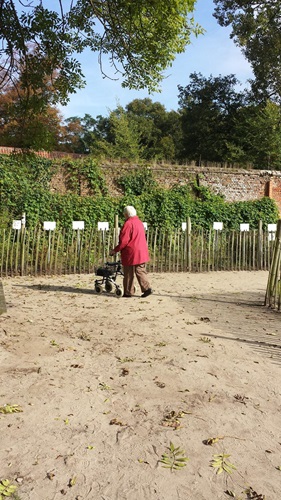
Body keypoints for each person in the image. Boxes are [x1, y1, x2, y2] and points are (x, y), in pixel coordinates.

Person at [109, 206, 152, 298]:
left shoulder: (128, 224)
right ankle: (147, 288)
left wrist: (115, 250)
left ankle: (128, 292)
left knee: (128, 273)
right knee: (140, 271)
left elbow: (124, 241)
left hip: (131, 252)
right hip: (141, 251)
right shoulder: (139, 222)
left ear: (126, 214)